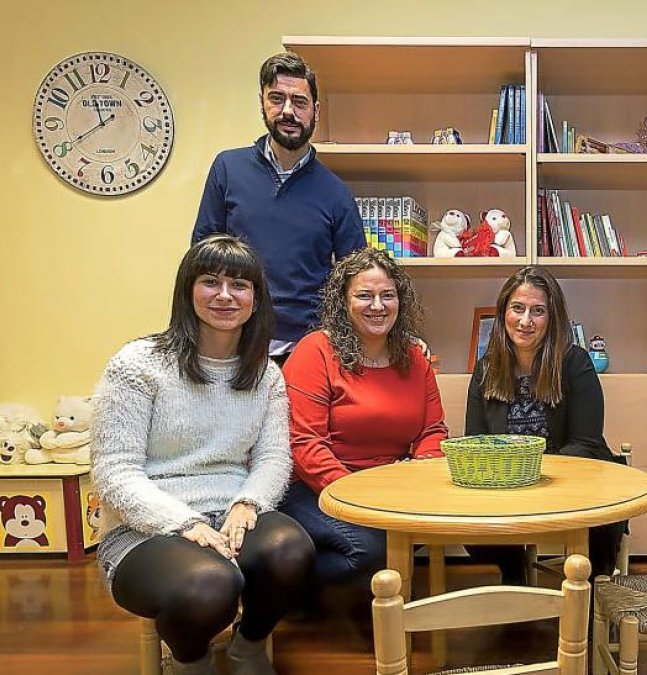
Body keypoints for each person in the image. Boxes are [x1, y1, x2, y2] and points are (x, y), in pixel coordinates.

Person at [91, 235, 314, 675]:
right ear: (187, 290)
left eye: (240, 285)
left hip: (230, 512)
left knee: (292, 550)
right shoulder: (137, 364)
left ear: (256, 298)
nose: (226, 295)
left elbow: (273, 458)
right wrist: (183, 523)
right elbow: (114, 472)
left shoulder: (266, 373)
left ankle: (247, 646)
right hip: (146, 529)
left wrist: (247, 503)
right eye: (211, 282)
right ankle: (189, 661)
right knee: (212, 582)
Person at [280, 248, 448, 599]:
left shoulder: (415, 358)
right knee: (369, 552)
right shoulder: (315, 351)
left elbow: (433, 431)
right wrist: (360, 496)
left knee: (410, 534)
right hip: (315, 487)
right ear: (344, 301)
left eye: (388, 295)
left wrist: (420, 475)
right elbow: (306, 445)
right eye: (364, 295)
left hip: (390, 489)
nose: (378, 305)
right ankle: (284, 586)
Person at [192, 52, 365, 367]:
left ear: (316, 111)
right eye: (277, 99)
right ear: (262, 104)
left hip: (307, 353)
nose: (288, 111)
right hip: (234, 345)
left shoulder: (336, 193)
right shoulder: (228, 169)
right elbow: (202, 259)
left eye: (299, 102)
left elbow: (359, 277)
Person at [465, 266, 626, 583]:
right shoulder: (485, 368)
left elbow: (586, 442)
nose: (526, 321)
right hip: (507, 485)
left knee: (599, 527)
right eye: (517, 308)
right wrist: (513, 481)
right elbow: (476, 441)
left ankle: (589, 602)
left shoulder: (575, 362)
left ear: (552, 318)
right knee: (473, 532)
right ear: (503, 313)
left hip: (572, 484)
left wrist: (535, 477)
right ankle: (514, 577)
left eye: (538, 311)